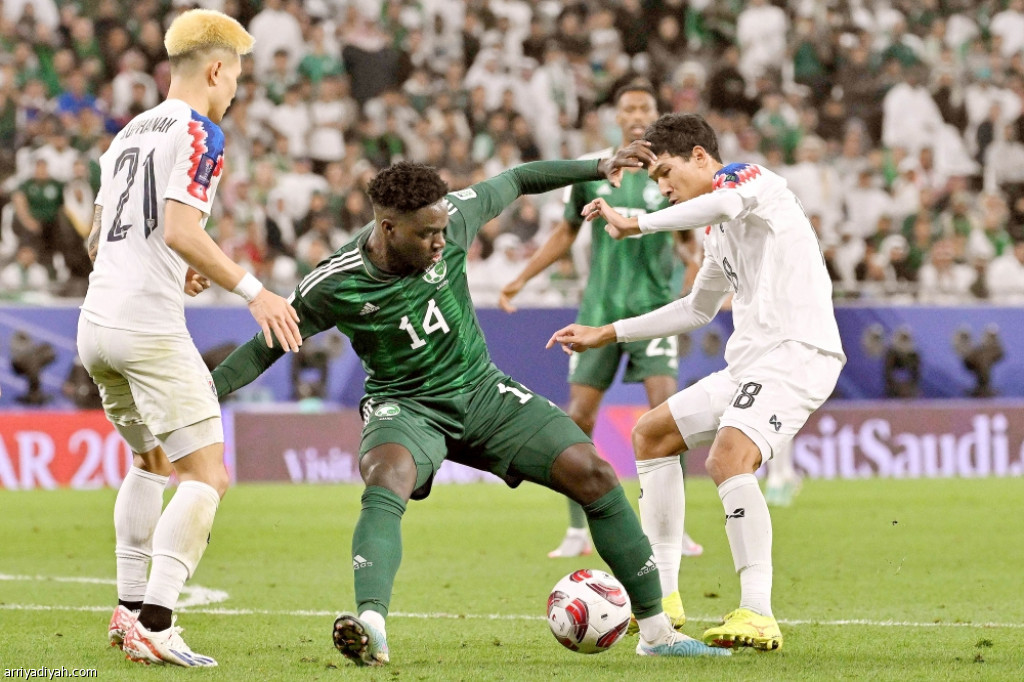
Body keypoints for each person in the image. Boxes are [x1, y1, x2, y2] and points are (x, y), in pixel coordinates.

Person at [211, 158, 731, 665]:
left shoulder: (453, 217)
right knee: (386, 477)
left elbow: (519, 178)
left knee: (593, 472)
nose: (440, 241)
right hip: (406, 405)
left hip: (484, 393)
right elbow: (263, 348)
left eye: (442, 230)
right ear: (387, 228)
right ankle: (372, 625)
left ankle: (657, 633)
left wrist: (596, 167)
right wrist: (205, 394)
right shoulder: (335, 282)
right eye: (426, 234)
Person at [547, 113, 846, 652]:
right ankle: (663, 595)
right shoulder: (715, 232)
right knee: (651, 434)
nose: (663, 187)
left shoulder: (748, 179)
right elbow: (695, 308)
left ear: (701, 157)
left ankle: (758, 611)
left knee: (728, 458)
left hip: (798, 352)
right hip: (750, 365)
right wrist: (606, 333)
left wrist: (637, 222)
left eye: (666, 172)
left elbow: (724, 204)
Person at [77, 9, 302, 668]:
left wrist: (178, 270)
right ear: (215, 70)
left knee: (149, 461)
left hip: (96, 325)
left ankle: (127, 610)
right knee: (207, 475)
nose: (234, 91)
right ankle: (158, 622)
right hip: (146, 327)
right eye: (235, 78)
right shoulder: (201, 131)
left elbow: (99, 240)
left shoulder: (125, 136)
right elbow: (179, 229)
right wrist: (254, 290)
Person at [499, 81, 701, 624]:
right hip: (597, 313)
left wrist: (695, 278)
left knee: (667, 414)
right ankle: (576, 527)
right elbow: (565, 234)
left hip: (653, 313)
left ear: (654, 115)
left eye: (644, 108)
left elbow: (689, 243)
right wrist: (522, 277)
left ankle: (673, 529)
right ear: (616, 117)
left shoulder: (668, 175)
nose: (636, 115)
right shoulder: (597, 172)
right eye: (627, 108)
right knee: (579, 418)